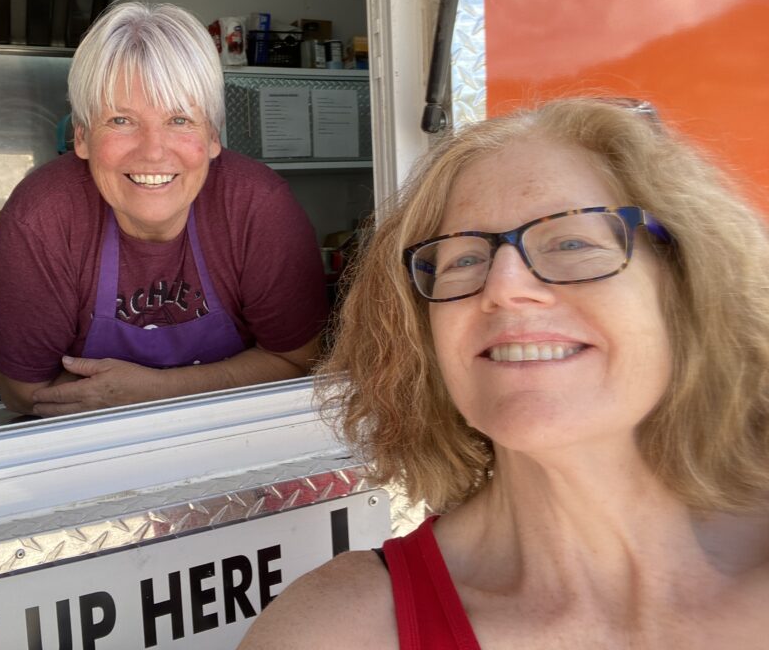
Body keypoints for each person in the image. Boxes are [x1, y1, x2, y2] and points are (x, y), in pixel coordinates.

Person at [238, 98, 769, 648]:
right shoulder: (337, 633)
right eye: (464, 259)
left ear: (686, 285)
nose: (504, 287)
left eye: (571, 242)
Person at [0, 1, 328, 416]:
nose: (153, 151)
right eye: (121, 121)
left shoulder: (258, 207)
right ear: (81, 138)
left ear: (214, 136)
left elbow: (298, 360)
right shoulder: (43, 217)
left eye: (180, 120)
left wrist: (158, 390)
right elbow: (24, 393)